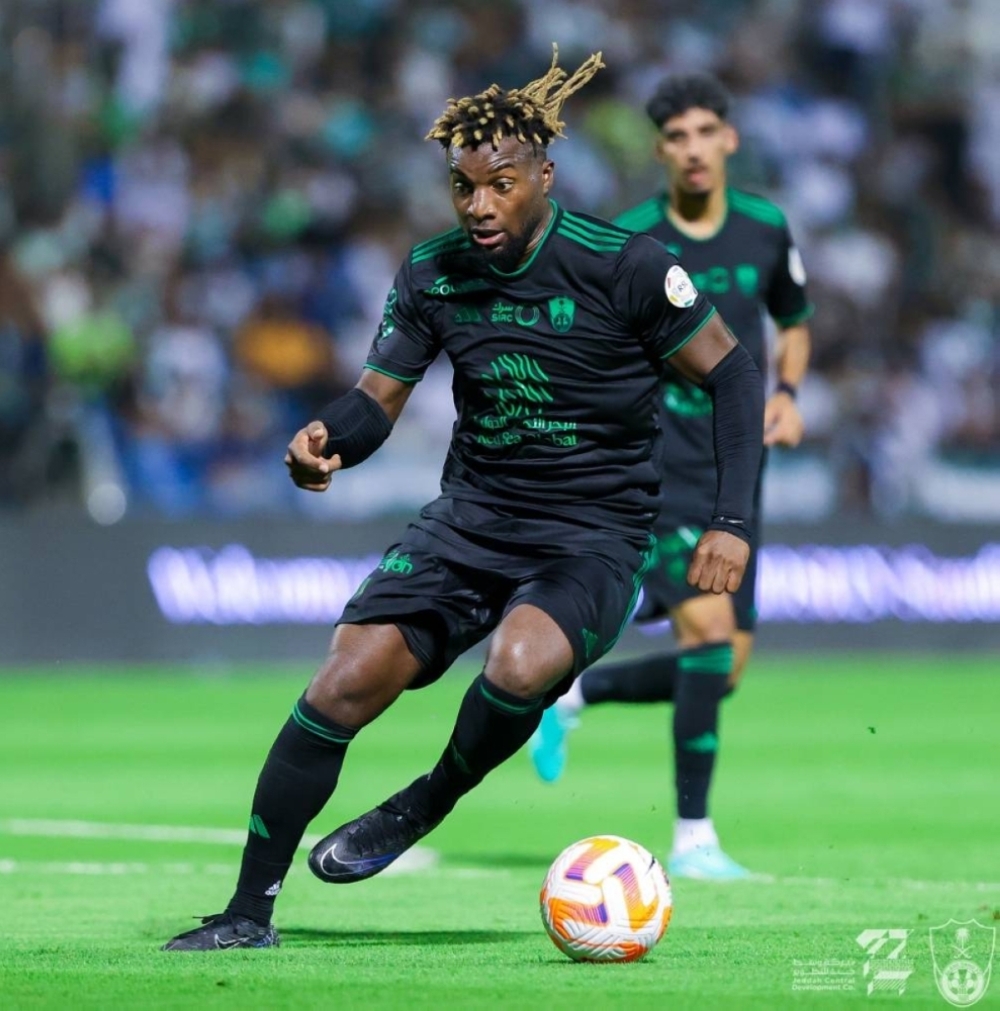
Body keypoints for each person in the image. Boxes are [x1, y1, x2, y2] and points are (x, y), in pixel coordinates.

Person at [163, 49, 764, 951]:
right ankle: (247, 911)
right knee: (344, 679)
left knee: (520, 664)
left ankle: (430, 796)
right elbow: (377, 400)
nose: (479, 205)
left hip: (595, 533)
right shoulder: (432, 272)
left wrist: (731, 522)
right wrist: (327, 440)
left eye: (501, 185)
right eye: (463, 187)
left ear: (544, 178)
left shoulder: (627, 266)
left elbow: (734, 375)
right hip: (472, 519)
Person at [530, 73, 813, 881]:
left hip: (736, 473)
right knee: (710, 639)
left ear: (729, 139)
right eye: (677, 137)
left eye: (705, 133)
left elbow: (794, 320)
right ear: (659, 150)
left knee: (722, 670)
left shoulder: (765, 228)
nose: (692, 149)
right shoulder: (631, 241)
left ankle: (574, 695)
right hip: (656, 471)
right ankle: (694, 837)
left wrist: (788, 394)